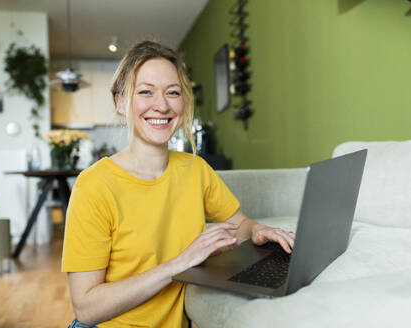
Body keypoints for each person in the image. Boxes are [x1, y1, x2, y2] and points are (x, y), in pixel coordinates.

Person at [62, 40, 295, 328]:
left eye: (172, 93)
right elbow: (85, 308)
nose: (161, 105)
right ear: (120, 102)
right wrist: (179, 263)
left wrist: (258, 230)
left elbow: (239, 224)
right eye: (146, 92)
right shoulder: (94, 186)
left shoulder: (195, 170)